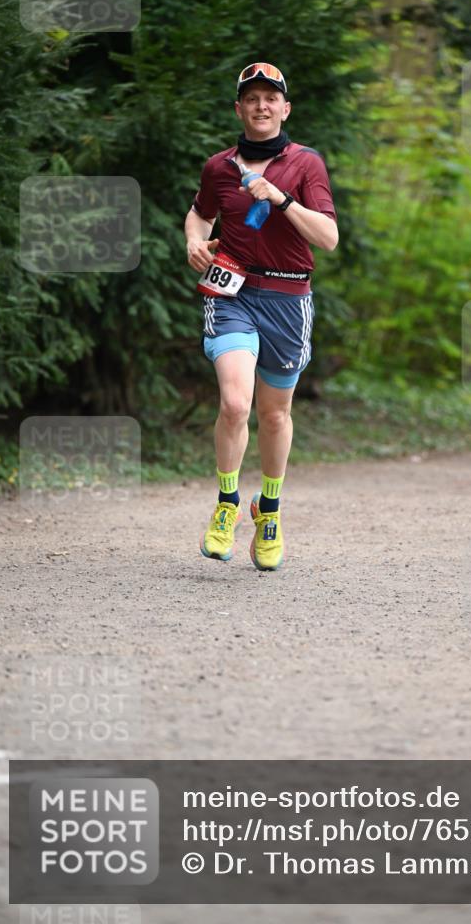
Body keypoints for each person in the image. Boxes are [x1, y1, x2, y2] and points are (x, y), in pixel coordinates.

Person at [185, 62, 338, 571]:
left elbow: (328, 238)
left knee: (274, 415)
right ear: (239, 109)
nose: (261, 106)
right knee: (234, 403)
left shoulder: (305, 165)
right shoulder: (219, 167)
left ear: (285, 108)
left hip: (289, 301)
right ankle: (227, 504)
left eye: (271, 97)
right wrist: (192, 241)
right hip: (231, 294)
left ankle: (267, 510)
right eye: (251, 98)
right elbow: (201, 213)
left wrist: (281, 198)